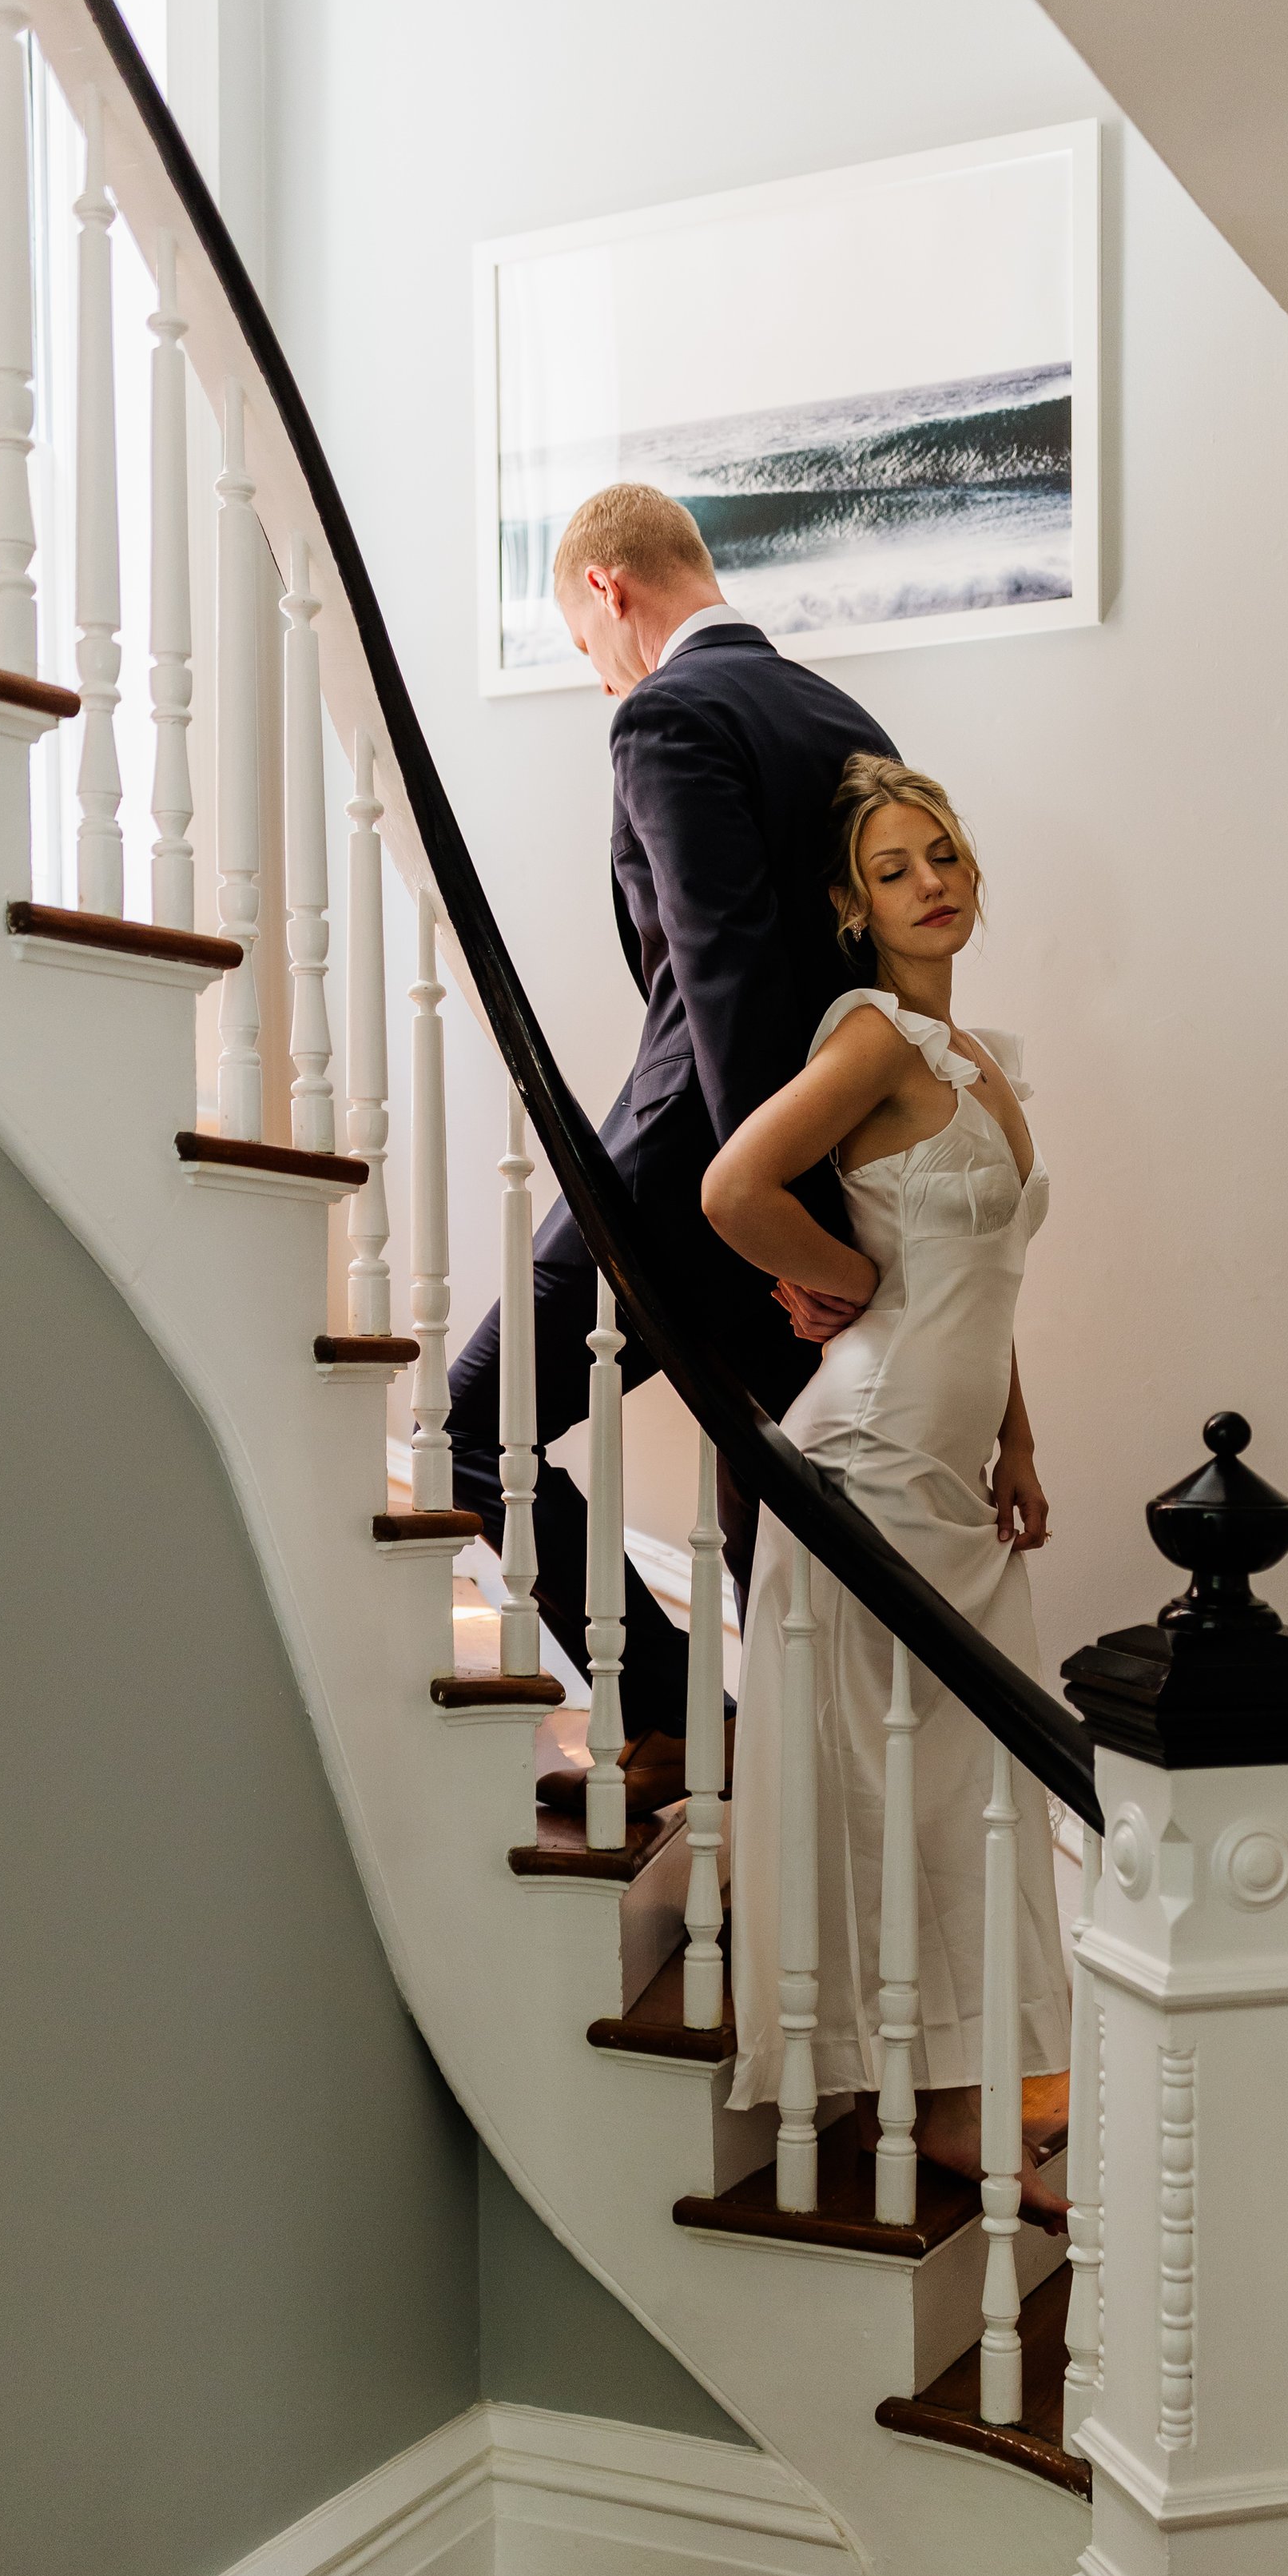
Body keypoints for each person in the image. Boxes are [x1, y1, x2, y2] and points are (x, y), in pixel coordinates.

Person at [447, 484, 895, 1818]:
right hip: (809, 1183)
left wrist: (765, 1211)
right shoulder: (840, 718)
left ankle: (676, 1707)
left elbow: (725, 976)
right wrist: (829, 1217)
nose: (599, 687)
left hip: (683, 1173)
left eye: (585, 657)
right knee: (774, 1507)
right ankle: (797, 1811)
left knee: (467, 1430)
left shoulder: (665, 714)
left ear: (608, 592)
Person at [704, 754, 1068, 2205]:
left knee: (966, 1783)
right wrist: (847, 1275)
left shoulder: (987, 1062)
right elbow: (735, 1190)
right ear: (856, 910)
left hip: (954, 1466)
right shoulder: (872, 1040)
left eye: (948, 855)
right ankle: (927, 2104)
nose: (936, 883)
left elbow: (986, 1277)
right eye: (901, 868)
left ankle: (963, 2100)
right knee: (906, 1789)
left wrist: (1022, 1439)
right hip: (867, 1458)